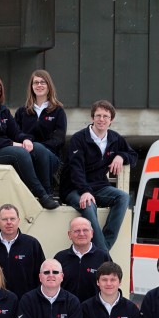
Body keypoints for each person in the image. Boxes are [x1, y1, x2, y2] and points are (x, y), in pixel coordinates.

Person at [0, 74, 58, 209]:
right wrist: (11, 143)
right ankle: (41, 195)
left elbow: (15, 132)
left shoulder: (3, 110)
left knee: (37, 148)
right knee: (20, 153)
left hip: (2, 149)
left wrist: (26, 139)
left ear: (0, 90)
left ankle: (48, 193)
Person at [59, 100, 137, 251]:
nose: (102, 119)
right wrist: (85, 191)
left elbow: (133, 156)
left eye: (106, 116)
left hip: (99, 186)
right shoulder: (78, 139)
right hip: (74, 188)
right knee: (89, 205)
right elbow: (76, 169)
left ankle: (103, 247)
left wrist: (121, 156)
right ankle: (103, 254)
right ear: (92, 118)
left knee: (123, 197)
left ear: (111, 120)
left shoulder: (115, 139)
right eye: (98, 116)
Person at [14, 69, 67, 189]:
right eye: (36, 82)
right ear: (31, 87)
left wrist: (36, 147)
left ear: (49, 86)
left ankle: (47, 192)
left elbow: (59, 139)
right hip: (26, 155)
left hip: (51, 157)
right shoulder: (22, 112)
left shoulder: (58, 111)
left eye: (43, 82)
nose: (39, 85)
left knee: (39, 149)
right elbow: (15, 133)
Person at [0, 203, 45, 297]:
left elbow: (42, 276)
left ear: (18, 220)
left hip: (25, 301)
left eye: (12, 219)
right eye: (4, 219)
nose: (9, 222)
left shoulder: (32, 244)